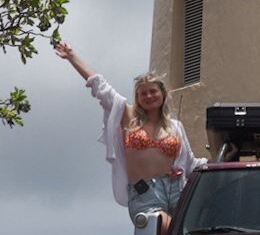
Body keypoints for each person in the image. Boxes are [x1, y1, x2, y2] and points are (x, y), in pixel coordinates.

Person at [55, 41, 206, 229]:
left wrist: (226, 156)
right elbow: (100, 87)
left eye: (153, 91)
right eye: (144, 93)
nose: (149, 96)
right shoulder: (128, 116)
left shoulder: (175, 126)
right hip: (145, 193)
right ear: (138, 97)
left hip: (176, 190)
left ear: (163, 94)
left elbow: (191, 163)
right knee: (160, 225)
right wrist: (72, 57)